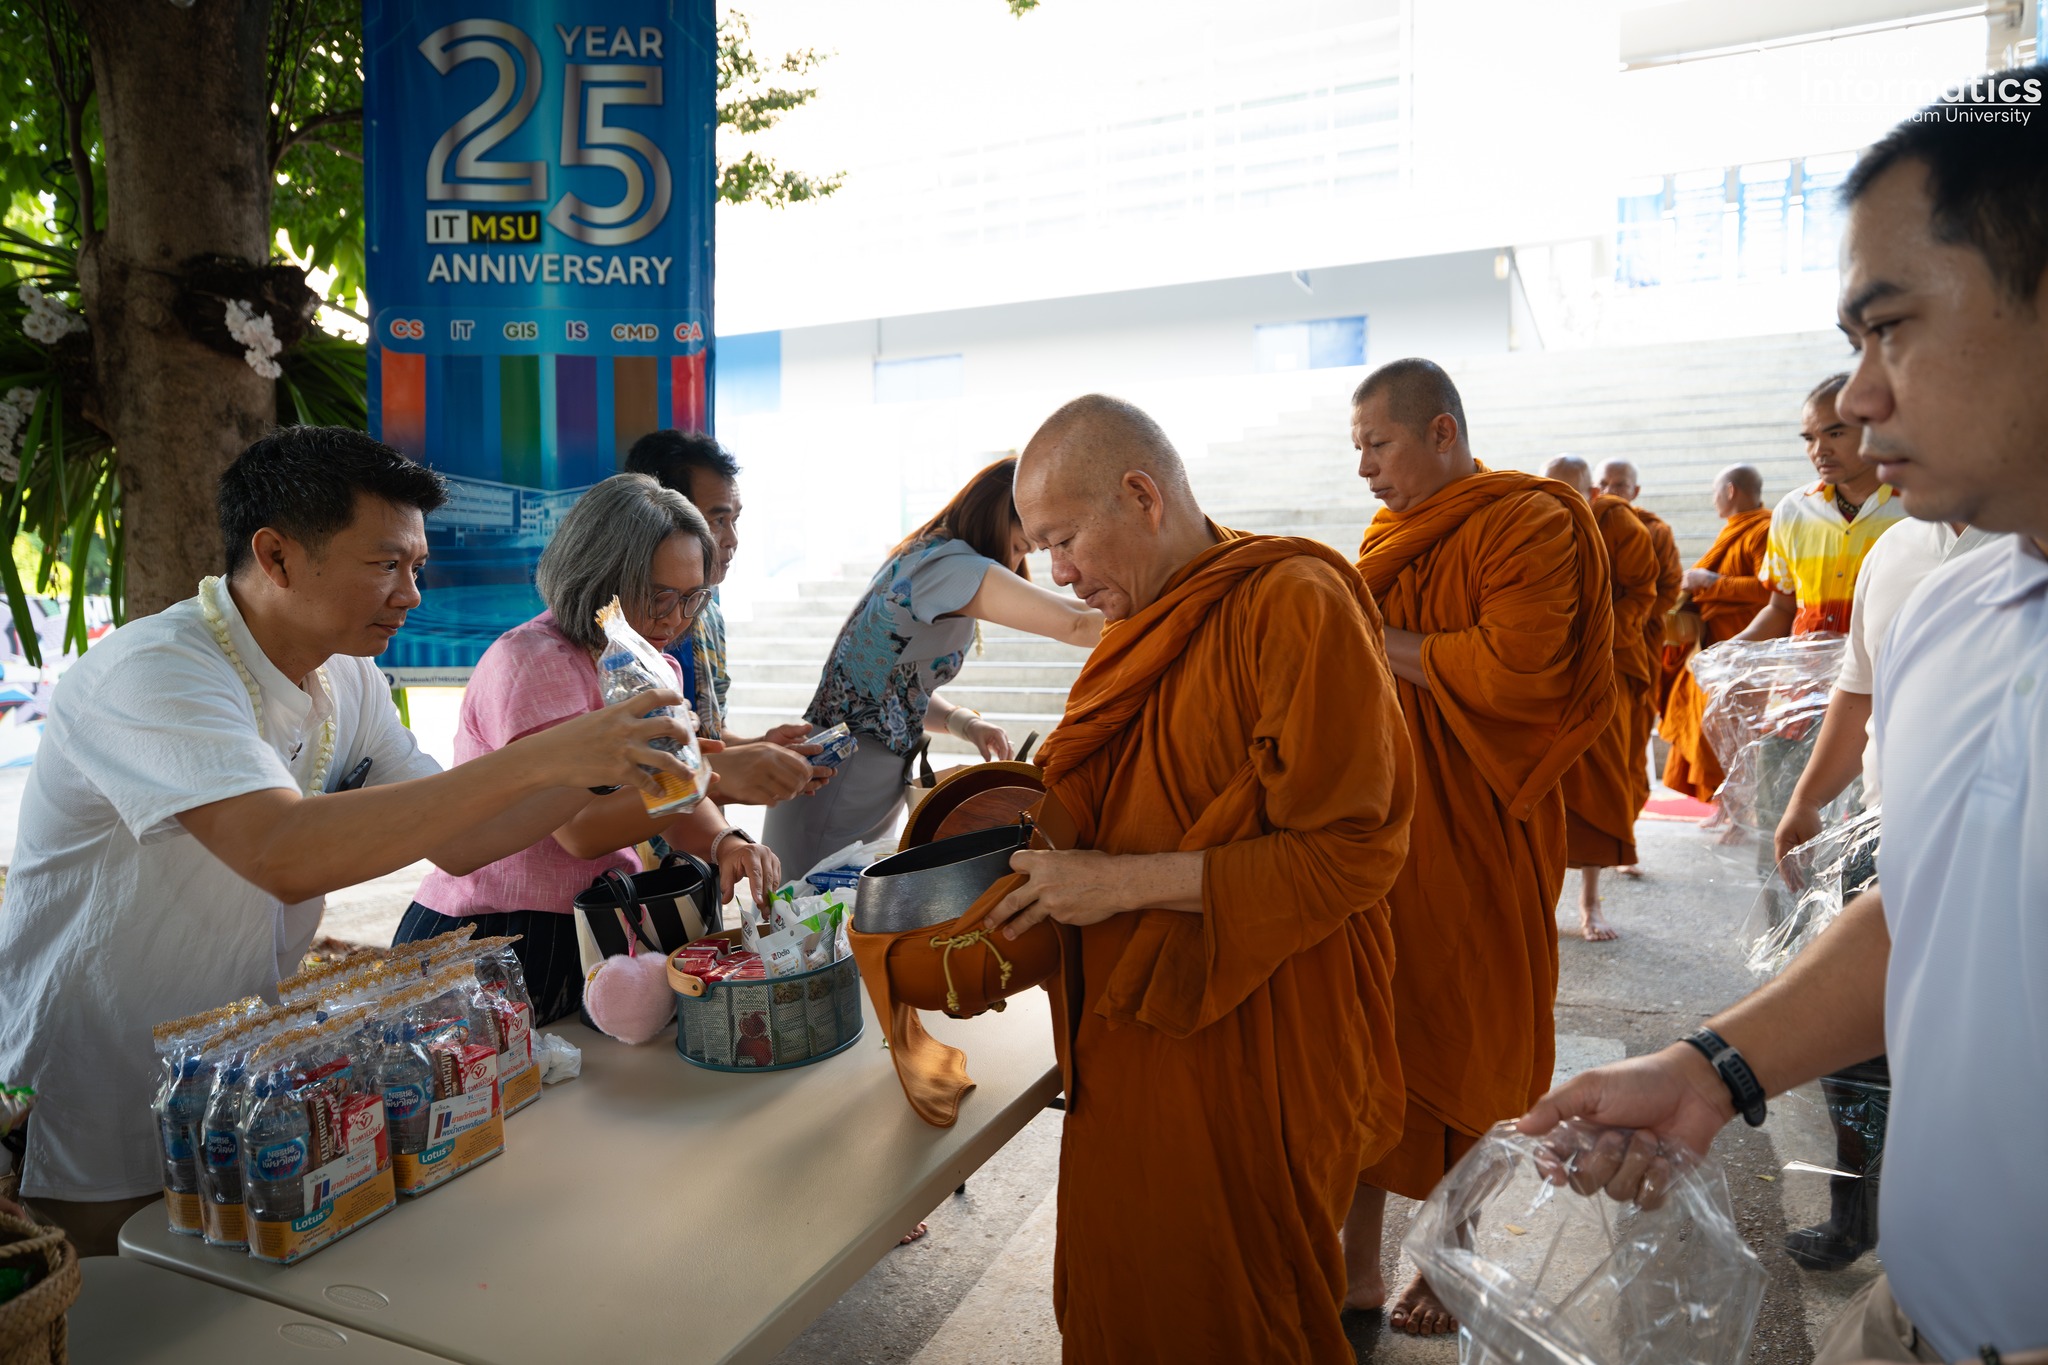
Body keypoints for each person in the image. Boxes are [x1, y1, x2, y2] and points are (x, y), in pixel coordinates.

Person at [1518, 70, 2048, 1364]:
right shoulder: (1951, 604)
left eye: (1890, 326)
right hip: (1914, 1324)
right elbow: (1933, 909)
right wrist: (1715, 1067)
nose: (1858, 399)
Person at [0, 429, 697, 1254]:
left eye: (417, 567)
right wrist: (553, 755)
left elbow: (465, 839)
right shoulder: (156, 668)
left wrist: (603, 766)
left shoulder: (347, 675)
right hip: (102, 1068)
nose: (411, 593)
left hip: (240, 1071)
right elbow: (284, 853)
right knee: (112, 1304)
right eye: (385, 564)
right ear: (278, 555)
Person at [982, 394, 1413, 1364]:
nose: (1057, 573)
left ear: (1138, 494)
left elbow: (1351, 851)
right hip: (1133, 1034)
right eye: (1041, 550)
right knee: (1134, 1290)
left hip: (1262, 1022)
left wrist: (1118, 885)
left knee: (1243, 1313)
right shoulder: (1142, 624)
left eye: (1063, 540)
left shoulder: (1290, 601)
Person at [1344, 360, 1615, 1335]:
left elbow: (1517, 676)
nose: (1365, 469)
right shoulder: (1386, 534)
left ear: (1441, 432)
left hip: (1485, 824)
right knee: (1374, 1035)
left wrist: (1381, 642)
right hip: (1386, 826)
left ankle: (1448, 1255)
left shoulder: (1528, 523)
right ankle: (1354, 1269)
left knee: (1469, 1039)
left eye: (1377, 444)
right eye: (1356, 451)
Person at [395, 474, 781, 1023]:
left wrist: (723, 841)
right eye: (657, 596)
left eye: (692, 597)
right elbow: (582, 829)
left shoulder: (654, 664)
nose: (674, 619)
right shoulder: (534, 661)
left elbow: (669, 795)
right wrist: (710, 776)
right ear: (599, 577)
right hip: (499, 932)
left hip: (601, 919)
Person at [1764, 515, 2000, 1271]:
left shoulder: (2024, 543)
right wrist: (1807, 799)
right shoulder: (1894, 548)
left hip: (2001, 856)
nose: (1869, 430)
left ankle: (1961, 1238)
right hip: (1884, 834)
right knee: (1860, 1046)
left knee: (1974, 1055)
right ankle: (1853, 1211)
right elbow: (1858, 690)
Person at [763, 456, 1102, 877]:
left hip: (852, 770)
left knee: (822, 913)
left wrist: (964, 723)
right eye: (1020, 547)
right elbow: (1075, 622)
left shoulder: (927, 554)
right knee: (812, 912)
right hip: (844, 777)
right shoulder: (952, 567)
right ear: (998, 517)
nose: (1017, 563)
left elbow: (896, 687)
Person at [623, 430, 825, 807]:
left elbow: (707, 737)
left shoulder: (709, 613)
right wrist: (724, 773)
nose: (731, 539)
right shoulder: (615, 629)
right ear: (662, 514)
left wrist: (761, 748)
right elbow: (594, 805)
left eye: (734, 521)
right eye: (716, 521)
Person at [1546, 456, 1660, 941]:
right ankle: (1539, 904)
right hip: (1549, 667)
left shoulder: (1619, 525)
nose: (1558, 503)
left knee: (1601, 783)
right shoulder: (1533, 521)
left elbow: (1646, 590)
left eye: (1569, 493)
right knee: (1545, 787)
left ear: (1591, 492)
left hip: (1606, 660)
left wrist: (1601, 631)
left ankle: (1590, 905)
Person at [1736, 374, 1905, 642]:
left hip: (1887, 678)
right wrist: (1733, 654)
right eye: (1809, 438)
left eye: (1835, 433)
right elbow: (1781, 608)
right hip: (1805, 679)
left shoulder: (1918, 510)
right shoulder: (1794, 510)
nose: (1819, 450)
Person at [1658, 466, 1774, 803]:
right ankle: (1727, 808)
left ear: (1731, 491)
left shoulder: (1763, 531)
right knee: (1716, 731)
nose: (1713, 501)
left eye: (1714, 493)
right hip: (1717, 648)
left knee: (1738, 734)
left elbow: (1769, 591)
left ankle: (1740, 812)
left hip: (1747, 651)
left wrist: (1710, 584)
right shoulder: (1733, 531)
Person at [1595, 459, 1683, 877]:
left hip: (1633, 650)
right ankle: (1596, 841)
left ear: (1636, 490)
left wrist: (1624, 625)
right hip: (1588, 652)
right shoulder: (1585, 523)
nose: (1610, 490)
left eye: (1620, 484)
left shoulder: (1655, 531)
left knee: (1629, 751)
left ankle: (1624, 834)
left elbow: (1667, 591)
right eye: (1603, 483)